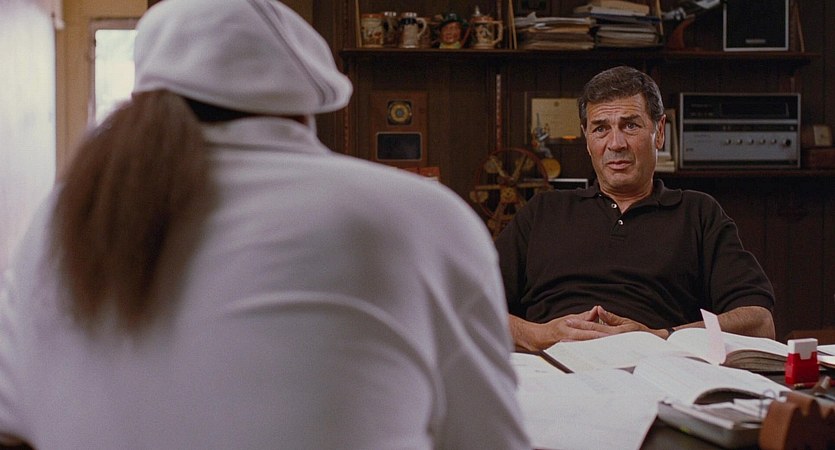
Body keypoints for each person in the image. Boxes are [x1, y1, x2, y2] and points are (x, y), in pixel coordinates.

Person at [0, 0, 530, 448]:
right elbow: (488, 439)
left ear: (146, 97)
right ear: (305, 110)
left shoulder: (62, 216)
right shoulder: (419, 216)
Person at [497, 65, 776, 352]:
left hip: (654, 366)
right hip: (549, 366)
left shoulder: (697, 213)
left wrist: (659, 337)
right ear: (587, 139)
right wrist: (538, 334)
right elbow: (471, 306)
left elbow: (760, 322)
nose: (616, 144)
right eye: (601, 129)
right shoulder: (543, 211)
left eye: (630, 126)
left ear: (659, 132)